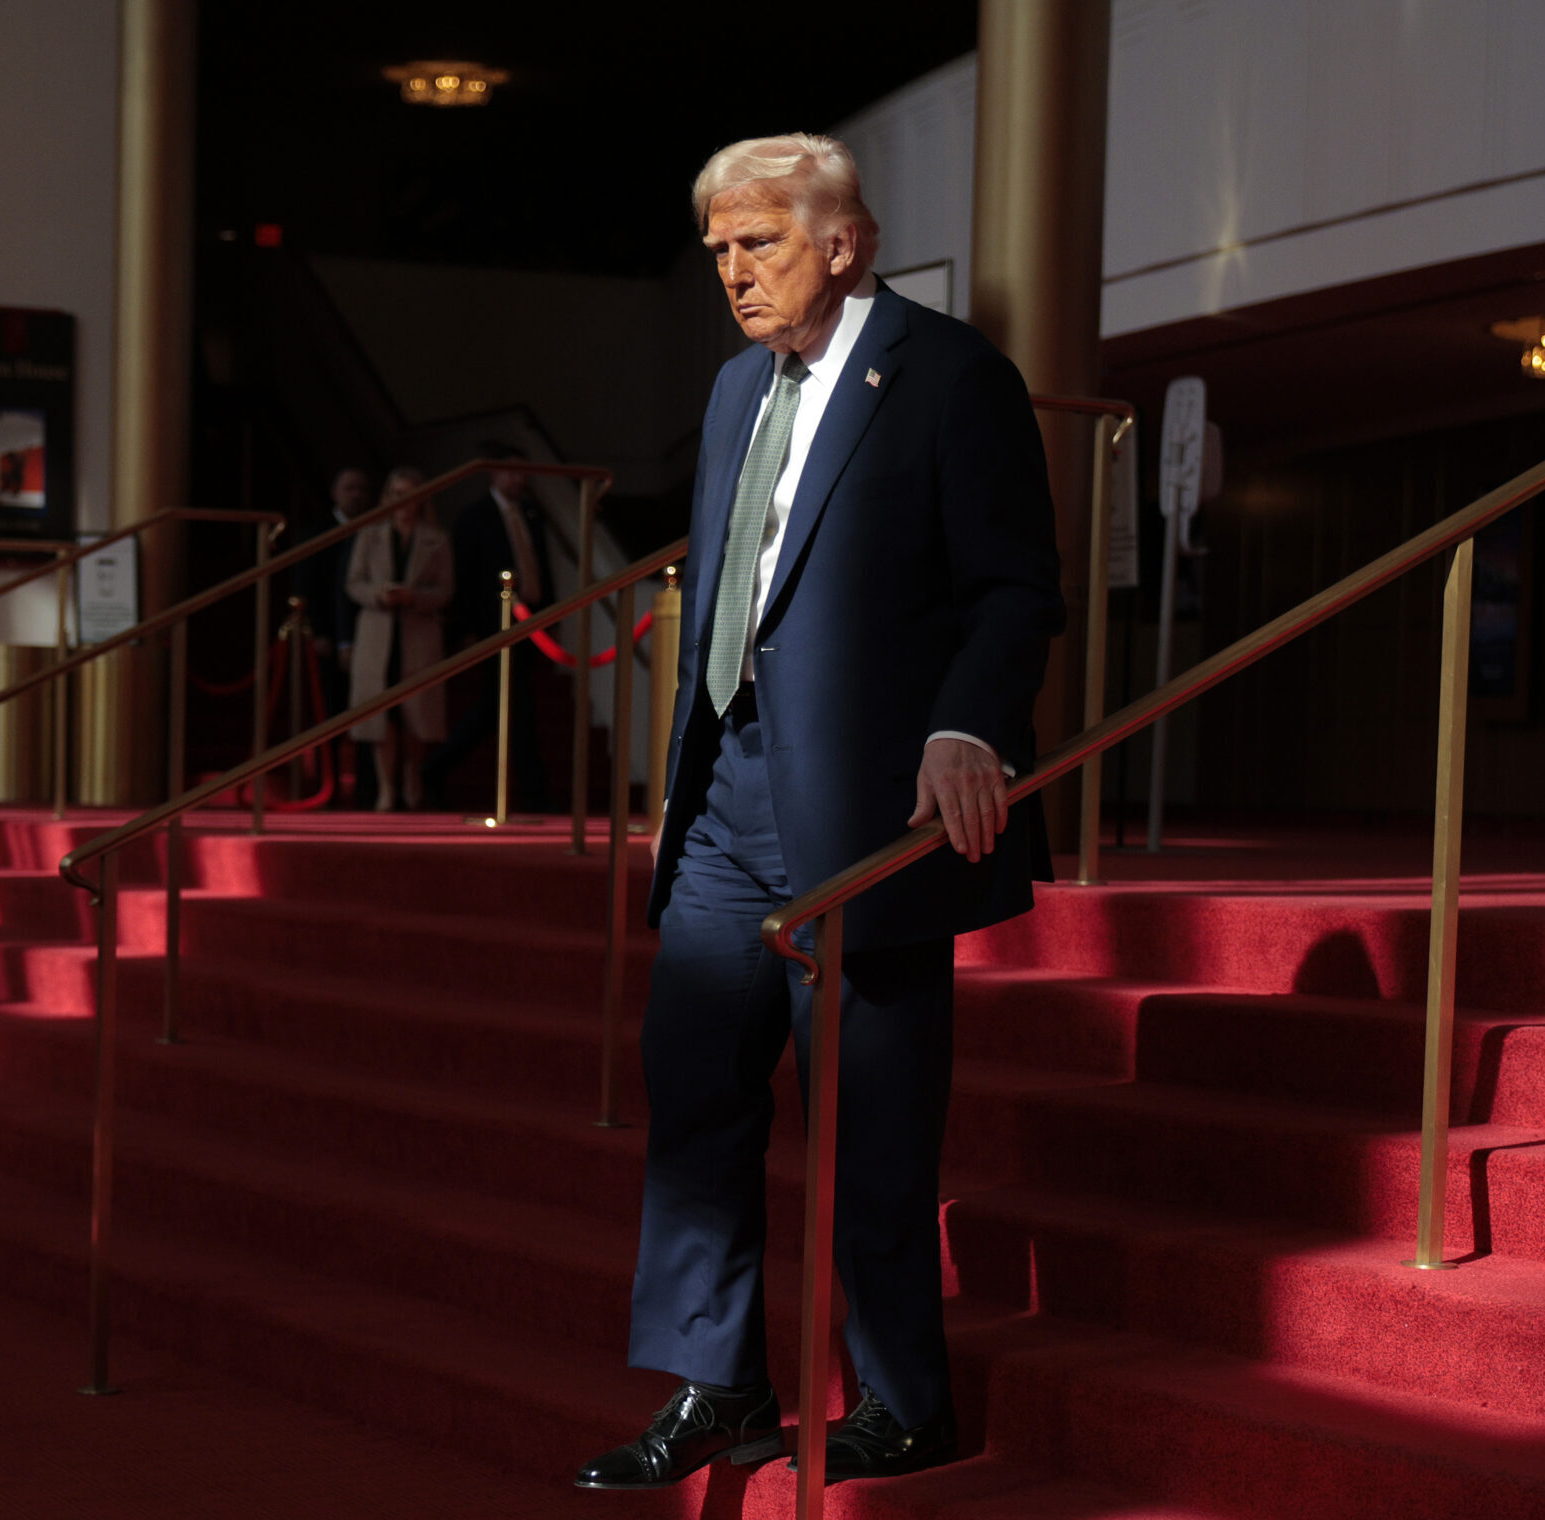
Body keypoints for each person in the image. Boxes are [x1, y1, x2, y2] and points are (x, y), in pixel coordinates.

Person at [573, 133, 1060, 1492]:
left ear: (842, 243)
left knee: (872, 1119)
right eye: (720, 249)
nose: (734, 273)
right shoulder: (735, 390)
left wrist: (969, 725)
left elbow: (1016, 587)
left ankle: (903, 1401)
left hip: (865, 816)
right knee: (698, 1102)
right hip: (724, 804)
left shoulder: (953, 377)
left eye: (761, 245)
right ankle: (719, 1384)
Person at [420, 446, 556, 812]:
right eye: (510, 472)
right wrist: (466, 628)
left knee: (503, 706)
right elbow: (465, 577)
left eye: (522, 473)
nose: (518, 479)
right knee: (513, 707)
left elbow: (542, 567)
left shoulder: (531, 513)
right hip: (492, 625)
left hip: (530, 623)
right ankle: (534, 792)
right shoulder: (474, 516)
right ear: (493, 474)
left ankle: (436, 769)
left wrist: (550, 619)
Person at [345, 467, 454, 811]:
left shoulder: (436, 538)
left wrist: (415, 597)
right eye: (396, 494)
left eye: (409, 494)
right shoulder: (371, 534)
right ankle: (386, 787)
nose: (402, 502)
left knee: (415, 713)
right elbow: (353, 582)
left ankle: (412, 779)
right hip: (378, 632)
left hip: (416, 633)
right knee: (381, 715)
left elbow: (446, 589)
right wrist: (380, 594)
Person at [303, 465, 375, 804]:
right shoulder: (318, 533)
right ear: (334, 493)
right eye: (349, 488)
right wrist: (318, 631)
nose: (356, 495)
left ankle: (367, 787)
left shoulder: (376, 531)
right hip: (328, 637)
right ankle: (325, 786)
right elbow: (306, 587)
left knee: (368, 715)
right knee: (329, 714)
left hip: (370, 635)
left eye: (362, 488)